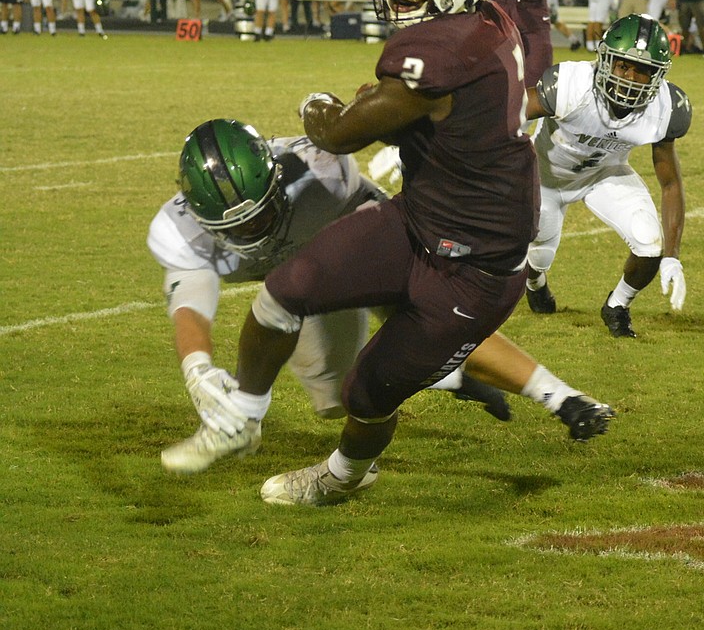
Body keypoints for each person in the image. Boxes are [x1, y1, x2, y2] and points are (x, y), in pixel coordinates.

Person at [188, 0, 611, 506]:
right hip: (419, 220)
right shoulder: (489, 13)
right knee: (284, 291)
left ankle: (342, 476)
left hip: (475, 268)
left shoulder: (440, 52)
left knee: (367, 393)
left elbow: (337, 132)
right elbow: (426, 112)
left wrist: (318, 103)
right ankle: (246, 414)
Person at [150, 119, 613, 474]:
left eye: (260, 214)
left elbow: (423, 299)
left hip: (331, 243)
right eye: (237, 227)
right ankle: (240, 421)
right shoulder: (178, 230)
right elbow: (191, 300)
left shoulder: (322, 177)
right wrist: (197, 370)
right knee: (331, 390)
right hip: (293, 274)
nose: (255, 231)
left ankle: (557, 395)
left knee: (427, 320)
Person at [524, 15, 689, 339]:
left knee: (649, 244)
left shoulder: (666, 107)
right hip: (545, 175)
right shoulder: (570, 84)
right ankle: (535, 283)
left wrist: (672, 258)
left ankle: (617, 306)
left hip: (604, 174)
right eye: (624, 66)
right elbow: (502, 115)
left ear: (657, 75)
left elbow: (670, 183)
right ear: (605, 60)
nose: (631, 77)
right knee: (540, 253)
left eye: (642, 70)